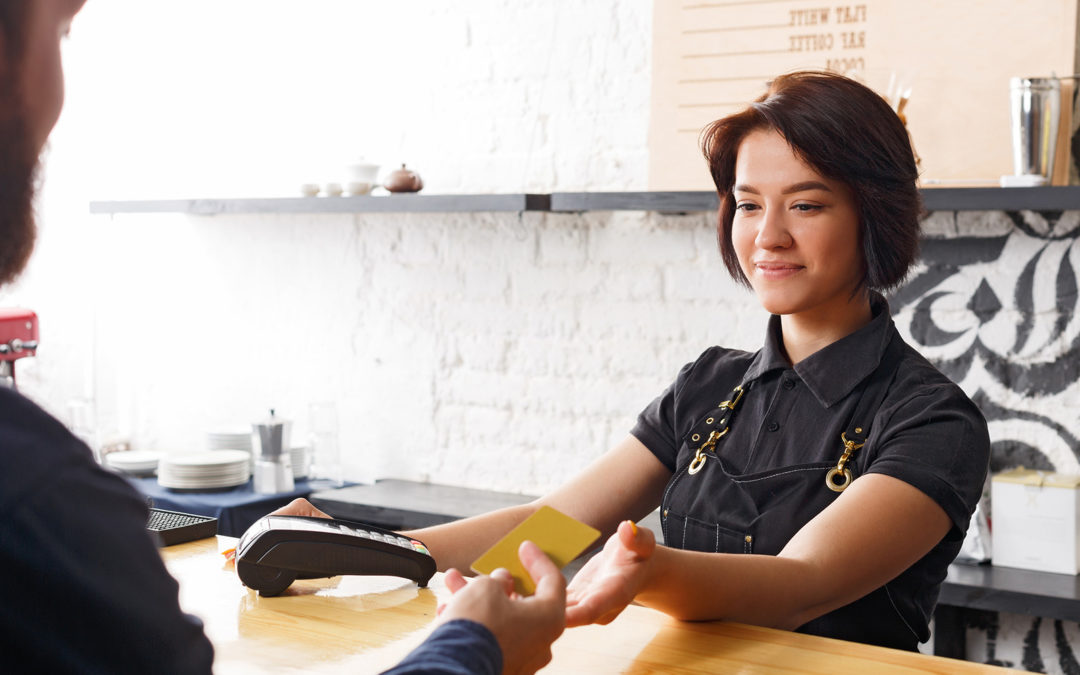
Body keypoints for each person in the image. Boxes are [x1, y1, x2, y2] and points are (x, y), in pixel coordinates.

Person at [285, 70, 990, 652]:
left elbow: (803, 581)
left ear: (877, 216)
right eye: (747, 204)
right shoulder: (711, 384)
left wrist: (644, 570)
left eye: (805, 205)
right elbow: (552, 529)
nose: (767, 236)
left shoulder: (933, 421)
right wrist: (355, 547)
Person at [0, 2, 564, 673]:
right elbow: (563, 520)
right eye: (729, 198)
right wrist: (389, 565)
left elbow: (587, 529)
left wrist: (653, 563)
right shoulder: (695, 391)